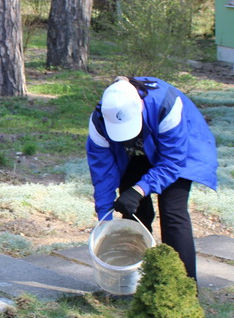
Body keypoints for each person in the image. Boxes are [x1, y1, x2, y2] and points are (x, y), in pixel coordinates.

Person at [86, 76, 218, 283]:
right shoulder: (100, 121)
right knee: (133, 210)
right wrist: (105, 221)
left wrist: (139, 190)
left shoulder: (165, 104)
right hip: (134, 153)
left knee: (173, 210)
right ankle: (133, 280)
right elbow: (102, 173)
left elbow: (172, 161)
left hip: (178, 150)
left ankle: (182, 286)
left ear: (139, 107)